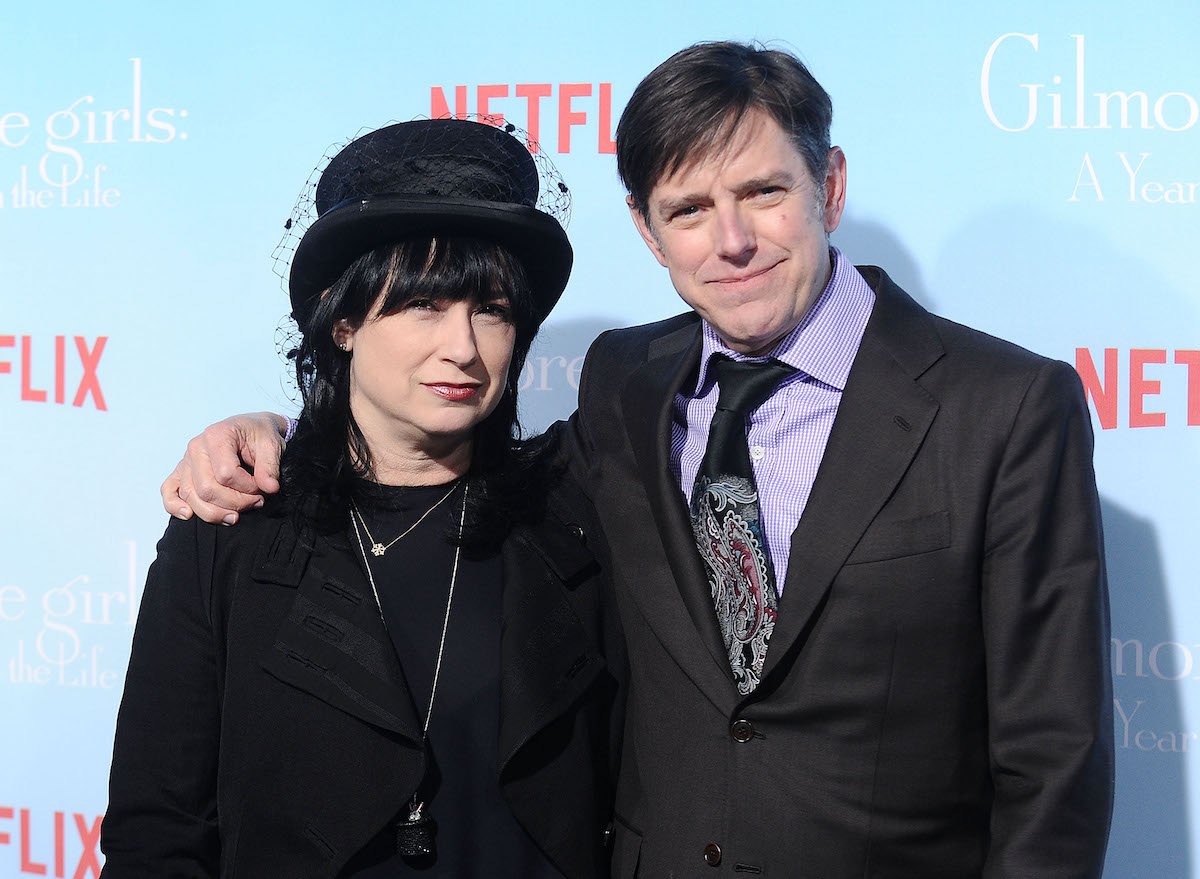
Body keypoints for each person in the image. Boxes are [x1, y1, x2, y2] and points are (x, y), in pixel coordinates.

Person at [161, 42, 1114, 877]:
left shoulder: (1006, 405)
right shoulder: (625, 383)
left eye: (764, 193)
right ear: (646, 229)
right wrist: (267, 429)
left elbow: (1052, 765)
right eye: (689, 207)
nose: (731, 240)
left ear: (829, 187)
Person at [102, 119, 623, 879]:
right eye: (424, 306)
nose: (464, 348)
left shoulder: (571, 514)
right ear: (342, 321)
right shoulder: (232, 526)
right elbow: (158, 829)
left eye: (494, 310)